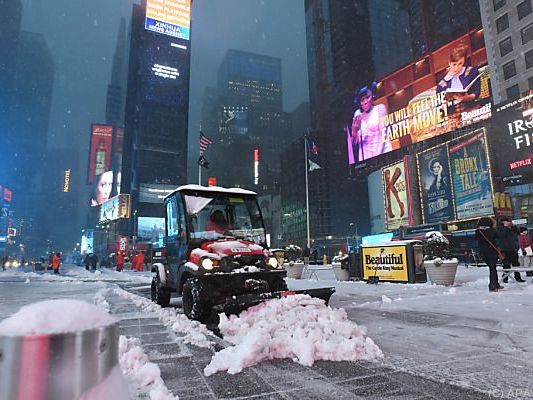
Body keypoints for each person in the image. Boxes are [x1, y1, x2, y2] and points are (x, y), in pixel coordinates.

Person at [350, 82, 391, 162]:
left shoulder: (380, 109)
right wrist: (354, 132)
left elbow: (384, 137)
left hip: (382, 155)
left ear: (372, 96)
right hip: (366, 159)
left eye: (367, 97)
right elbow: (354, 144)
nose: (365, 102)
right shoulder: (358, 114)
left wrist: (376, 160)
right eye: (362, 100)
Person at [436, 46, 481, 113]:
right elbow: (439, 107)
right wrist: (444, 104)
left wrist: (465, 98)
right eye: (454, 64)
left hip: (470, 108)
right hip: (453, 113)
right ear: (449, 63)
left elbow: (476, 91)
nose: (457, 68)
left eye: (460, 63)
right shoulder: (441, 85)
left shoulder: (471, 71)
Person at [475, 217, 503, 292]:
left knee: (492, 268)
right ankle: (492, 285)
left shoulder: (478, 231)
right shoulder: (492, 231)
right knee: (493, 269)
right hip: (492, 252)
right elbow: (499, 236)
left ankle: (496, 284)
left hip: (483, 252)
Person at [497, 218, 525, 283]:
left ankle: (518, 277)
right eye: (507, 221)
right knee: (506, 265)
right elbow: (501, 235)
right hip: (505, 249)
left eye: (509, 221)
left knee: (516, 264)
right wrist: (505, 227)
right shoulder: (500, 228)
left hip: (514, 249)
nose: (508, 222)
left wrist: (514, 226)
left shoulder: (512, 228)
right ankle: (505, 278)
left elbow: (517, 233)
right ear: (503, 222)